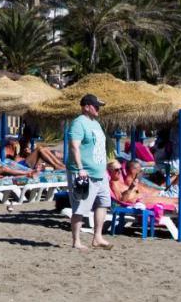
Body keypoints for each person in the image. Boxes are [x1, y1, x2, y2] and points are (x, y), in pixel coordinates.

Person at [66, 93, 111, 250]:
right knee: (80, 207)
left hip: (100, 173)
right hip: (84, 173)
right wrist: (80, 168)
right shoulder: (78, 123)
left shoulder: (96, 124)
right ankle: (76, 240)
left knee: (103, 203)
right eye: (96, 106)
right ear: (86, 107)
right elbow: (74, 147)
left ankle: (97, 237)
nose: (98, 109)